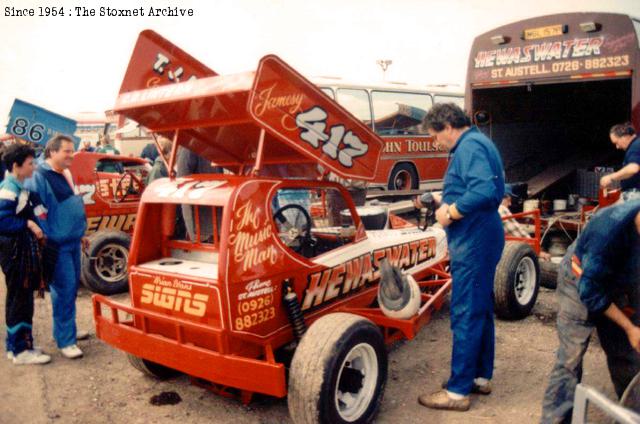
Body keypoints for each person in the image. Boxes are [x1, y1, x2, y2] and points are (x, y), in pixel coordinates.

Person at [415, 103, 505, 411]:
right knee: (479, 308)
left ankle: (456, 392)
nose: (435, 143)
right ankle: (479, 376)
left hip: (474, 238)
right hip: (484, 233)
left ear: (448, 127)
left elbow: (482, 191)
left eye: (434, 136)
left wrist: (449, 213)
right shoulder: (479, 143)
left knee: (466, 311)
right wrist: (446, 198)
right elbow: (481, 189)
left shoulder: (467, 148)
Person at [540, 200, 640, 423]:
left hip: (620, 284)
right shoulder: (607, 232)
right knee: (571, 358)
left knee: (627, 354)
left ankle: (633, 414)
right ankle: (556, 420)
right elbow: (590, 293)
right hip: (580, 282)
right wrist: (630, 327)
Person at [25, 135, 89, 359]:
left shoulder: (67, 173)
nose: (72, 155)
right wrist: (45, 241)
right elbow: (37, 211)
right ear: (52, 152)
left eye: (73, 151)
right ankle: (66, 340)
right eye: (67, 151)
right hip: (56, 244)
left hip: (72, 240)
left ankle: (66, 329)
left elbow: (72, 204)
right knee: (64, 289)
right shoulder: (39, 176)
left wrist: (81, 233)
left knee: (71, 289)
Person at [0, 144, 51, 365]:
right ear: (16, 166)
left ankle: (18, 345)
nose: (34, 167)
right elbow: (2, 220)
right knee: (19, 299)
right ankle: (21, 351)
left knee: (18, 298)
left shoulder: (17, 185)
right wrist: (29, 223)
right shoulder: (9, 189)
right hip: (14, 252)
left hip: (16, 250)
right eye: (30, 163)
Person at [499, 185, 551, 260]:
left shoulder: (487, 207)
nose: (510, 204)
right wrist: (537, 251)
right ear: (502, 198)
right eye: (509, 200)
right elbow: (518, 233)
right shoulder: (501, 209)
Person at [600, 122, 640, 201]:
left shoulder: (635, 146)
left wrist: (610, 177)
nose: (617, 147)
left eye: (616, 143)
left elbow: (633, 168)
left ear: (625, 136)